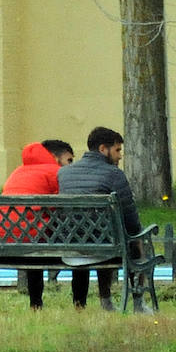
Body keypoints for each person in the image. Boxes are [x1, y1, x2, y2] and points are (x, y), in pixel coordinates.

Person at [57, 126, 148, 312]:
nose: (120, 156)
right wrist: (138, 235)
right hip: (107, 245)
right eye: (117, 150)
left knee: (101, 236)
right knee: (134, 243)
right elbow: (130, 218)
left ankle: (104, 302)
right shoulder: (114, 174)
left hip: (73, 244)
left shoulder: (64, 173)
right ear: (102, 149)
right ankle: (137, 303)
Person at [0, 139, 74, 309]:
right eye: (69, 161)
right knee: (74, 246)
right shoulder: (56, 172)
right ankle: (79, 304)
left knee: (32, 231)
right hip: (31, 244)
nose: (71, 166)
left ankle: (35, 304)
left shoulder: (18, 172)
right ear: (55, 158)